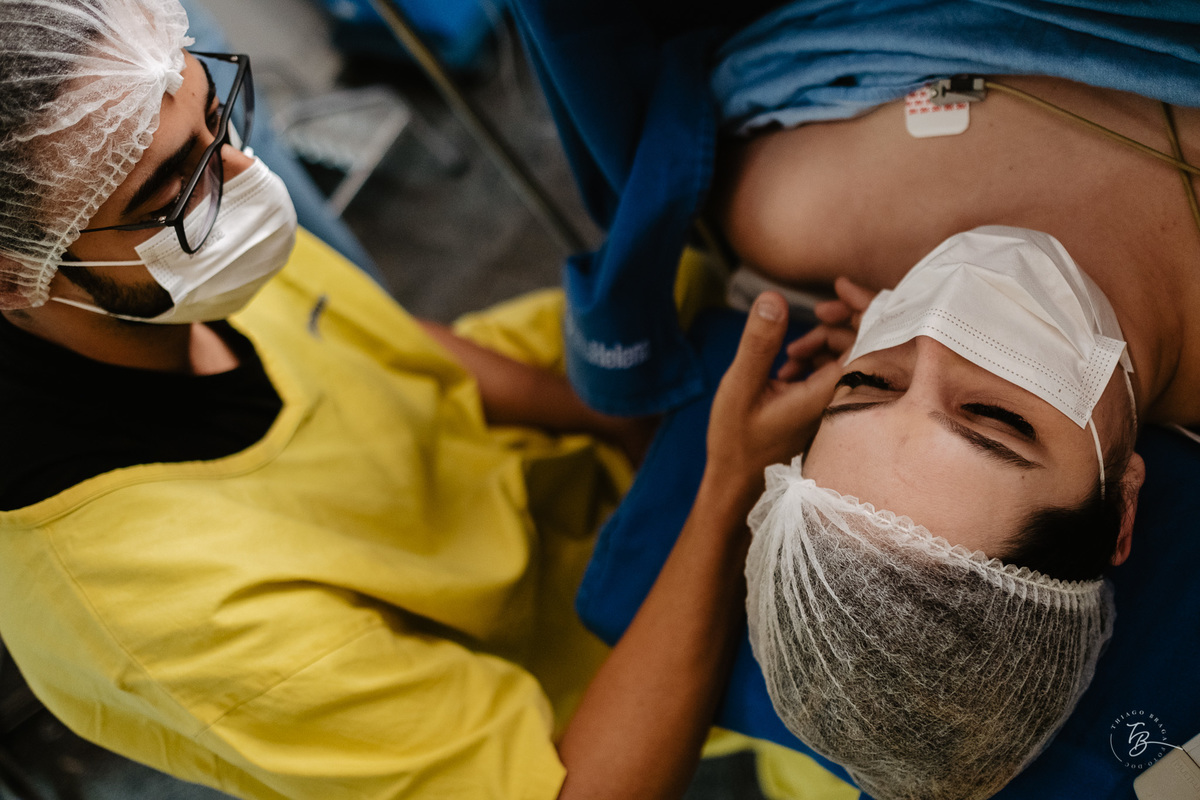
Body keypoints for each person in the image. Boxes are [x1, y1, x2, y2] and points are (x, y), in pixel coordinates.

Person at [0, 1, 842, 798]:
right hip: (590, 685)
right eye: (171, 193)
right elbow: (579, 786)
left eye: (219, 118)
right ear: (15, 276)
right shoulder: (166, 614)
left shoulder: (170, 265)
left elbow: (384, 343)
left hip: (546, 480)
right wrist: (725, 486)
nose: (245, 180)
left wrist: (622, 410)